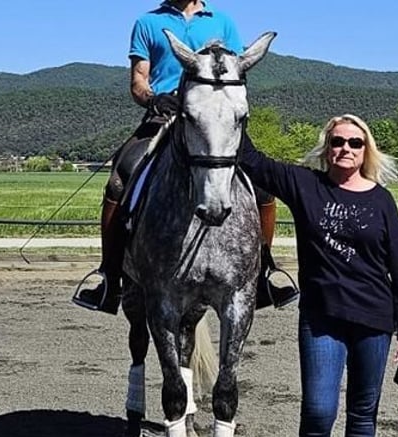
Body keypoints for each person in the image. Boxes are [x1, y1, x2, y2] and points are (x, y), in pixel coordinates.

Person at [239, 114, 398, 437]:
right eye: (338, 141)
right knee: (319, 410)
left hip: (375, 321)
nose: (346, 149)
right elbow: (250, 159)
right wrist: (234, 97)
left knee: (363, 413)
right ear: (327, 145)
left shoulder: (382, 200)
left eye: (355, 143)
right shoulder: (305, 186)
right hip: (321, 320)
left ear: (365, 149)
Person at [75, 0, 298, 313]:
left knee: (262, 185)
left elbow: (235, 70)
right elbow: (138, 78)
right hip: (165, 114)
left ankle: (263, 273)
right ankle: (110, 277)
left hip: (213, 120)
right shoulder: (147, 22)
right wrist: (154, 98)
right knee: (120, 178)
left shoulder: (223, 21)